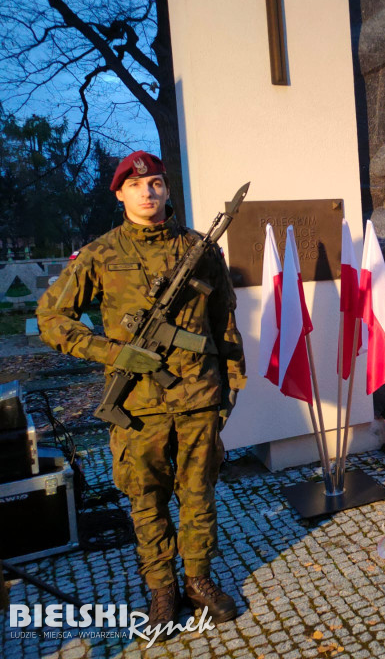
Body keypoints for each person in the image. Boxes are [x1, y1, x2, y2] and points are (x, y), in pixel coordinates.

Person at [36, 152, 246, 637]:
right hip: (137, 407)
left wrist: (232, 382)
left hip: (197, 398)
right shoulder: (99, 254)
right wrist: (113, 354)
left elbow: (223, 322)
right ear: (120, 194)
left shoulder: (200, 248)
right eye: (137, 186)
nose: (148, 193)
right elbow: (52, 320)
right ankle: (161, 589)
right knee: (145, 498)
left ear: (167, 191)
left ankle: (198, 581)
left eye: (155, 183)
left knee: (199, 495)